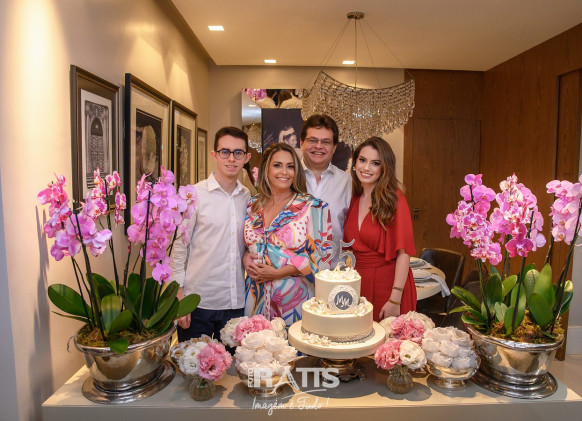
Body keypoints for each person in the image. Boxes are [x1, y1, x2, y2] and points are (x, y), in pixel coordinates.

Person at [171, 126, 252, 341]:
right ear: (214, 154)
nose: (231, 159)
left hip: (235, 302)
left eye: (238, 152)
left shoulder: (247, 197)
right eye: (225, 152)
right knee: (194, 361)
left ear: (246, 157)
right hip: (198, 302)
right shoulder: (194, 195)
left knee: (233, 362)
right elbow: (178, 248)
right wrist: (179, 297)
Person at [244, 142, 331, 326]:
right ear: (266, 169)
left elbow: (322, 260)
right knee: (255, 343)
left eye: (290, 166)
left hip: (294, 301)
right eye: (277, 165)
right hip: (254, 298)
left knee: (292, 344)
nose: (284, 172)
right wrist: (245, 258)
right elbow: (247, 246)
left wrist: (276, 273)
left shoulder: (312, 207)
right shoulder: (253, 205)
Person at [343, 136, 417, 321]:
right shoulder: (354, 198)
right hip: (359, 284)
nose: (366, 168)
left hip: (388, 286)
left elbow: (404, 253)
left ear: (384, 168)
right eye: (362, 160)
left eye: (375, 163)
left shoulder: (394, 199)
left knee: (385, 338)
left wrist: (395, 299)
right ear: (355, 163)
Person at [300, 114, 351, 267]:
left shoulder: (347, 182)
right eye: (312, 140)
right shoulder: (286, 178)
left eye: (326, 142)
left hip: (335, 271)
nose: (318, 146)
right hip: (292, 275)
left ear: (334, 148)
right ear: (301, 143)